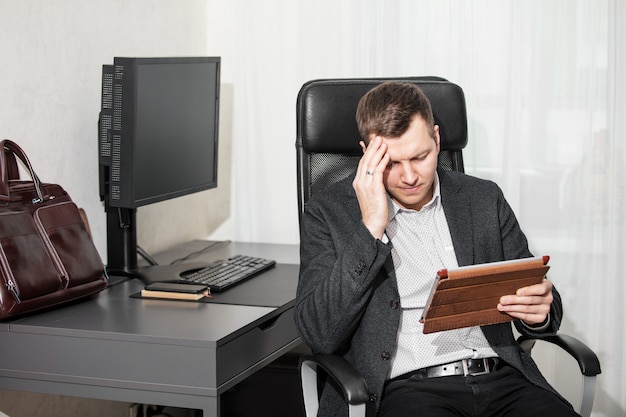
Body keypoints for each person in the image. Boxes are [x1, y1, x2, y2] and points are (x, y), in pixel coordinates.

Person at [295, 81, 579, 417]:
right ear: (366, 154)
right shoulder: (329, 213)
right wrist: (370, 228)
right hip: (408, 389)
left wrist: (541, 310)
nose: (410, 176)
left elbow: (538, 295)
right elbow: (319, 334)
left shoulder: (483, 199)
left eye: (420, 156)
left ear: (437, 140)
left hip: (502, 380)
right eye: (391, 163)